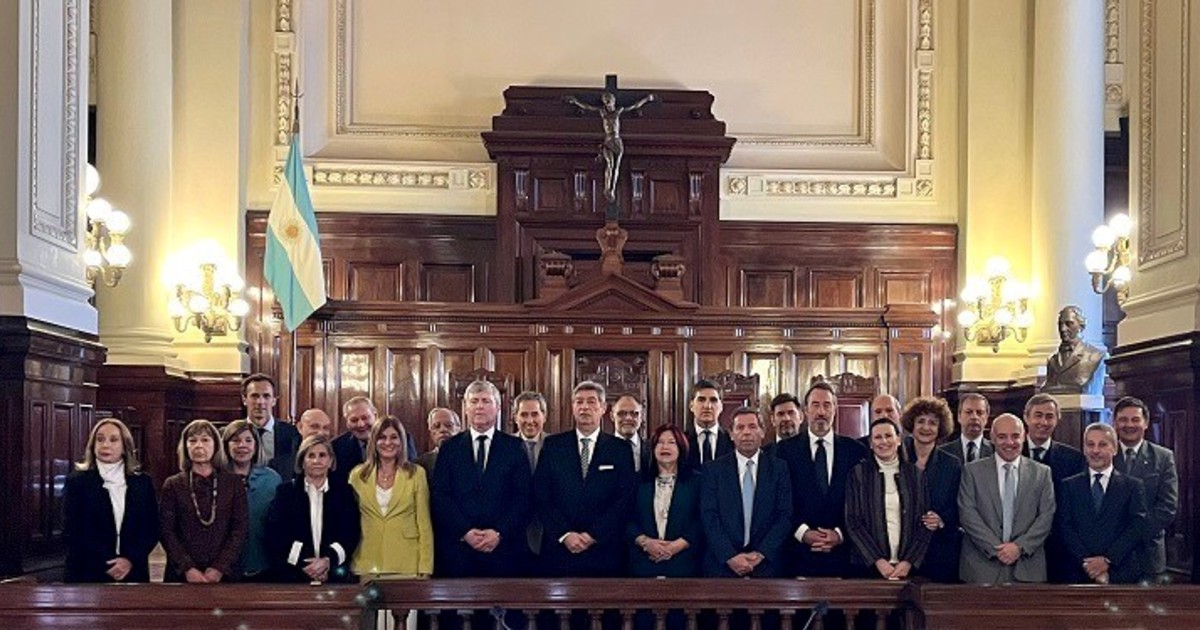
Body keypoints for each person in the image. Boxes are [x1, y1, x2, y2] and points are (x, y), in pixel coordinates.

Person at [534, 381, 637, 577]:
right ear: (573, 407)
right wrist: (565, 534)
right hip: (559, 551)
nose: (584, 407)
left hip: (604, 551)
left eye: (591, 402)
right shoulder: (553, 445)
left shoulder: (620, 449)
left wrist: (593, 535)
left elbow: (624, 500)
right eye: (579, 402)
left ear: (603, 408)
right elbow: (542, 495)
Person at [431, 380, 532, 578]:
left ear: (498, 407)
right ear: (465, 408)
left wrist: (499, 532)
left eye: (486, 401)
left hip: (504, 552)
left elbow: (523, 497)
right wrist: (465, 531)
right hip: (459, 552)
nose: (479, 406)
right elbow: (441, 496)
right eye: (474, 401)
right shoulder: (449, 448)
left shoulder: (515, 447)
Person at [777, 381, 868, 577]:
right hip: (797, 557)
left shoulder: (855, 451)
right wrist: (802, 532)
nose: (821, 412)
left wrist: (840, 534)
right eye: (815, 405)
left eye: (827, 405)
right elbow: (779, 501)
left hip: (844, 558)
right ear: (805, 411)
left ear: (835, 409)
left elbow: (863, 503)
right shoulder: (783, 452)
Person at [957, 413, 1056, 584]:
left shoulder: (1042, 473)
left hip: (1028, 569)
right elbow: (967, 514)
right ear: (992, 438)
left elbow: (1046, 516)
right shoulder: (972, 471)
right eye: (1002, 437)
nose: (1009, 442)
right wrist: (997, 549)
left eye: (1015, 436)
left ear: (1024, 436)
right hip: (981, 570)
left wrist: (1019, 547)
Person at [700, 407, 792, 578]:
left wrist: (761, 554)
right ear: (731, 434)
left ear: (762, 432)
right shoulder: (713, 470)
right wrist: (730, 556)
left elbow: (784, 516)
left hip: (767, 567)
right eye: (740, 427)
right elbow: (709, 517)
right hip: (722, 567)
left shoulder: (779, 469)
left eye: (752, 426)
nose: (747, 432)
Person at [64, 418, 158, 583]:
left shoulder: (142, 483)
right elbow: (72, 530)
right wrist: (107, 563)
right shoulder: (77, 482)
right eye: (100, 440)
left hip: (133, 571)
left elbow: (151, 528)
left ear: (125, 446)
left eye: (113, 440)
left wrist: (129, 560)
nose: (105, 445)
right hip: (87, 572)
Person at [1056, 423, 1148, 584]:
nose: (1095, 450)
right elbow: (1065, 527)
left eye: (1102, 444)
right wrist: (1089, 564)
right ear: (1084, 449)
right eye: (1090, 445)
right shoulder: (1069, 486)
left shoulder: (1132, 486)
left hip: (1120, 572)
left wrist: (1107, 560)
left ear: (1115, 449)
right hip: (1077, 573)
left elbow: (1137, 527)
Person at [160, 419, 248, 583]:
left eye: (205, 440)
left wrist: (219, 567)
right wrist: (187, 568)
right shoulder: (173, 484)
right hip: (182, 574)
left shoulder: (233, 483)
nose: (198, 446)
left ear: (216, 445)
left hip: (225, 573)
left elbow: (240, 529)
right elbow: (167, 531)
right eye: (192, 440)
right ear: (185, 446)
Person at [845, 419, 931, 580]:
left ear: (898, 439)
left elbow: (925, 522)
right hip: (867, 568)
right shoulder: (858, 474)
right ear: (871, 444)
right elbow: (853, 521)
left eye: (888, 436)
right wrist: (878, 561)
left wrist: (908, 561)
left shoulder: (916, 475)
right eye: (878, 437)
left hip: (909, 569)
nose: (883, 441)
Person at [269, 435, 361, 583]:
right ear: (302, 461)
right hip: (294, 575)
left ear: (331, 461)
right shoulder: (286, 492)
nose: (316, 461)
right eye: (311, 456)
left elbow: (351, 532)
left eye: (322, 455)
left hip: (335, 574)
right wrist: (309, 567)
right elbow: (277, 534)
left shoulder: (344, 492)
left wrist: (327, 561)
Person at [348, 417, 430, 578]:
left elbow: (424, 524)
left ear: (402, 441)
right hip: (366, 563)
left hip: (406, 564)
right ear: (374, 441)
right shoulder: (357, 475)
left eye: (394, 437)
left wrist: (425, 567)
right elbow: (350, 521)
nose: (388, 442)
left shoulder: (416, 474)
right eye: (382, 437)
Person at [1112, 396, 1178, 581]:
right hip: (1111, 556)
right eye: (1123, 420)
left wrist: (1130, 537)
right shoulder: (1104, 454)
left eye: (1135, 419)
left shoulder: (1163, 457)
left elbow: (1167, 508)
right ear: (1114, 423)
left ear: (1146, 423)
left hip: (1149, 556)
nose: (1129, 425)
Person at [901, 397, 962, 583]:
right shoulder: (897, 456)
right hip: (901, 549)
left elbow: (957, 506)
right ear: (912, 424)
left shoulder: (951, 464)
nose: (926, 427)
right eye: (921, 421)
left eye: (933, 423)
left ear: (940, 427)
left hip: (936, 551)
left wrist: (941, 520)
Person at [628, 424, 702, 578]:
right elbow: (626, 518)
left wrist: (676, 546)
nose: (665, 447)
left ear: (681, 448)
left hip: (685, 565)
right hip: (644, 564)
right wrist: (645, 542)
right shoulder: (637, 481)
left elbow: (701, 520)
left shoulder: (697, 482)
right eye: (660, 442)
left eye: (671, 442)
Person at [564, 90, 656, 204]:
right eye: (606, 101)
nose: (607, 103)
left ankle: (612, 188)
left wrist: (647, 99)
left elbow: (634, 106)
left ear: (613, 101)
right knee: (610, 164)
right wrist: (575, 101)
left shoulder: (618, 111)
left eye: (609, 101)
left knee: (616, 166)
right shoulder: (602, 111)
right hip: (607, 140)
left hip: (617, 141)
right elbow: (587, 107)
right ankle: (607, 189)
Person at [222, 420, 282, 581]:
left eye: (248, 440)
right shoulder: (217, 478)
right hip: (224, 567)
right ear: (226, 445)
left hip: (264, 564)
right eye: (235, 440)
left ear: (256, 445)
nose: (242, 445)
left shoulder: (272, 479)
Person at [242, 373, 300, 482]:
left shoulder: (291, 434)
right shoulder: (232, 433)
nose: (260, 402)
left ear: (274, 400)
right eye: (254, 396)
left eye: (266, 396)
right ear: (244, 399)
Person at [1043, 305, 1106, 394]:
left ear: (1081, 326)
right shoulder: (1052, 361)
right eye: (1060, 324)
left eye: (1069, 324)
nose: (1063, 329)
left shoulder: (1096, 356)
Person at [684, 379, 733, 471]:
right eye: (701, 400)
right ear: (691, 406)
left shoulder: (732, 441)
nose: (707, 406)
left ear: (721, 407)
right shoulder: (682, 441)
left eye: (713, 400)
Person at [330, 396, 378, 487]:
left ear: (375, 416)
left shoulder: (395, 442)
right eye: (354, 420)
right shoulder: (336, 448)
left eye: (365, 418)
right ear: (347, 423)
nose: (361, 424)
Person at [939, 393, 994, 463]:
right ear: (959, 416)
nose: (974, 417)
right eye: (969, 412)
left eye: (979, 413)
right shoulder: (942, 452)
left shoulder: (996, 451)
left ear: (986, 418)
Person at [611, 395, 651, 477]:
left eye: (634, 413)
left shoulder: (652, 450)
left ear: (641, 417)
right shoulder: (599, 449)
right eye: (622, 413)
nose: (628, 418)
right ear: (612, 416)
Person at [415, 407, 462, 474]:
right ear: (430, 433)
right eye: (436, 426)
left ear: (459, 429)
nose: (443, 429)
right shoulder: (419, 465)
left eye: (448, 425)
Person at [764, 392, 801, 458]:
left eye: (791, 413)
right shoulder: (764, 455)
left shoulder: (812, 452)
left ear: (801, 417)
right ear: (773, 420)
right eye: (780, 414)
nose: (786, 418)